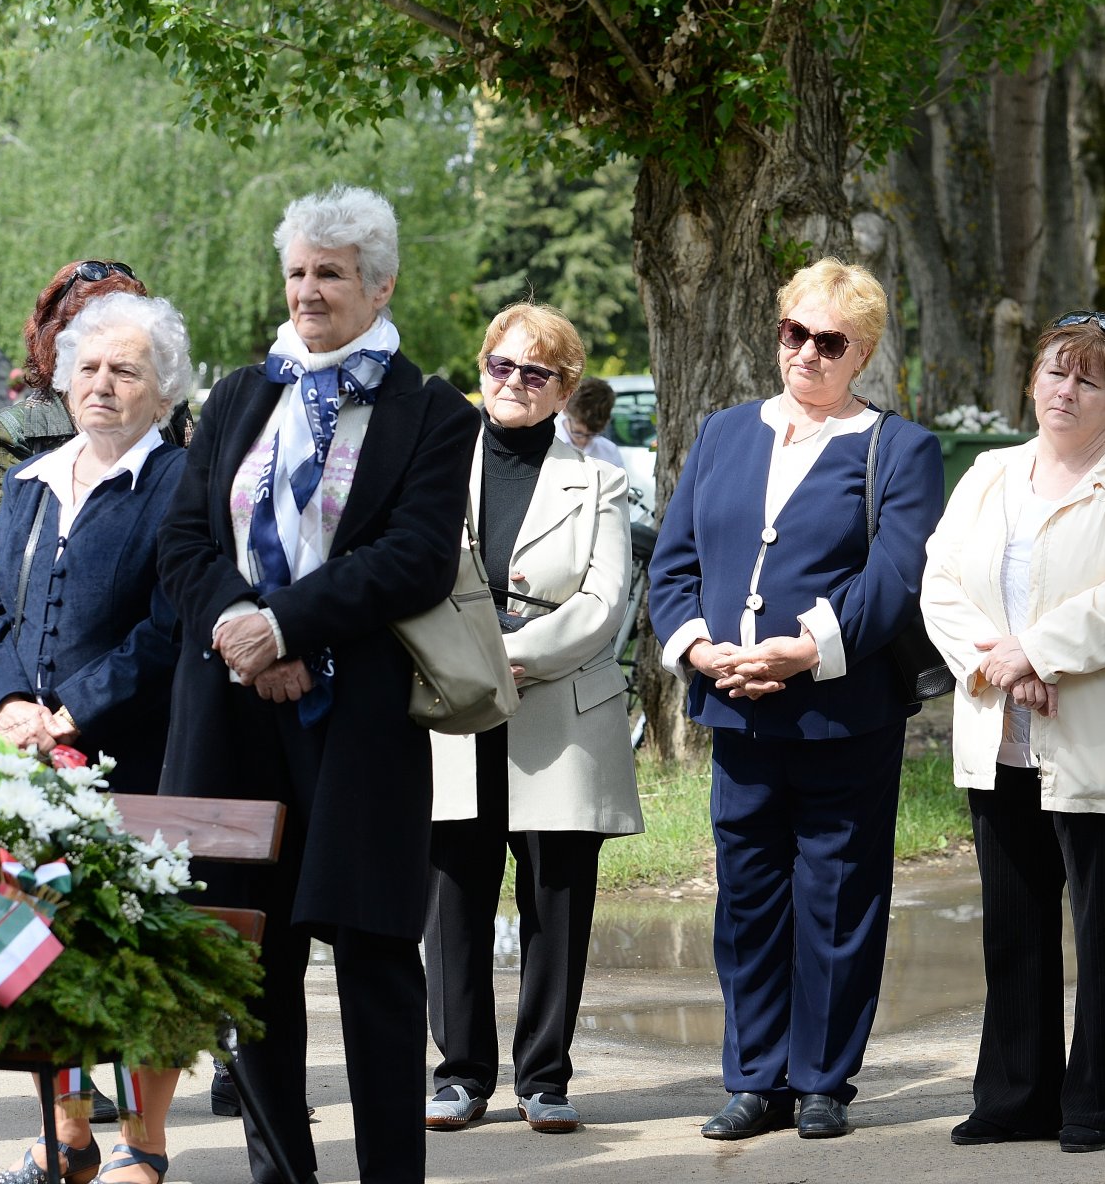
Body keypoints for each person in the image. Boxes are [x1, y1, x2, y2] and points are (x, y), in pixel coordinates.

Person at [157, 185, 479, 1184]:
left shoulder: (429, 410)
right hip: (230, 714)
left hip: (359, 723)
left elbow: (415, 556)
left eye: (331, 271)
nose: (308, 289)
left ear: (381, 283)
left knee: (377, 962)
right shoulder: (239, 396)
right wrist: (243, 630)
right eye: (297, 270)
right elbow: (182, 543)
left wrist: (287, 621)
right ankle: (281, 1174)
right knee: (247, 962)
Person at [647, 257, 943, 1141]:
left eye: (829, 341)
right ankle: (753, 1077)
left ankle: (822, 1080)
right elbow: (675, 564)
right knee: (746, 899)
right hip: (736, 708)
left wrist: (808, 651)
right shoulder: (725, 432)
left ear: (862, 355)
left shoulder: (901, 448)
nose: (807, 353)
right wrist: (700, 649)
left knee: (838, 897)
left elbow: (896, 577)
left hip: (841, 713)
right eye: (793, 333)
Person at [919, 312, 1105, 1153]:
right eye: (1054, 373)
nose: (1065, 391)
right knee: (1014, 921)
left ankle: (1102, 1108)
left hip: (1097, 737)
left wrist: (1037, 650)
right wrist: (999, 664)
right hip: (999, 732)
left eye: (1089, 380)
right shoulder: (990, 474)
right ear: (1031, 382)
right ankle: (1015, 1097)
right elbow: (938, 582)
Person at [0, 292, 192, 1184]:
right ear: (63, 381)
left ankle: (144, 1145)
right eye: (88, 368)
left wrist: (73, 711)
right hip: (30, 768)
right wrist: (9, 705)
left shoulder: (180, 482)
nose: (101, 384)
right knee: (35, 952)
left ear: (161, 389)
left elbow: (170, 628)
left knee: (140, 956)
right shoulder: (28, 481)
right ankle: (68, 1137)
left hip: (140, 758)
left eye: (124, 370)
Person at [422, 304, 643, 1135]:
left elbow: (604, 601)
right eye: (500, 367)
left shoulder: (601, 480)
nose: (513, 383)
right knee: (454, 892)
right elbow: (410, 577)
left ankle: (543, 1076)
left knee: (555, 894)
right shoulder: (434, 467)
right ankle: (461, 1072)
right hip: (454, 700)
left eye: (535, 373)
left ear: (565, 389)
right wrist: (472, 658)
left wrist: (520, 654)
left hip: (557, 706)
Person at [0, 260, 191, 611]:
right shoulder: (17, 433)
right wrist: (51, 625)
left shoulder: (169, 416)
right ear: (62, 340)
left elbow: (202, 531)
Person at [555, 376, 627, 468]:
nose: (583, 440)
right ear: (565, 409)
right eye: (578, 433)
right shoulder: (547, 443)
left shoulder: (610, 452)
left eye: (592, 434)